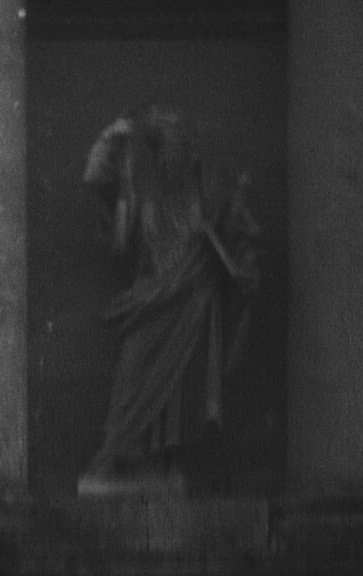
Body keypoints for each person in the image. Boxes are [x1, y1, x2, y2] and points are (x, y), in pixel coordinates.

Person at [82, 105, 260, 485]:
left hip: (190, 302)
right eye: (164, 148)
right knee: (132, 381)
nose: (173, 155)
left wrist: (242, 246)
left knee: (180, 392)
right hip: (150, 302)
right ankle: (119, 456)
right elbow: (116, 230)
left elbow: (235, 233)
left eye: (178, 145)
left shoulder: (205, 195)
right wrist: (106, 151)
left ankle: (165, 465)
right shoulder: (145, 200)